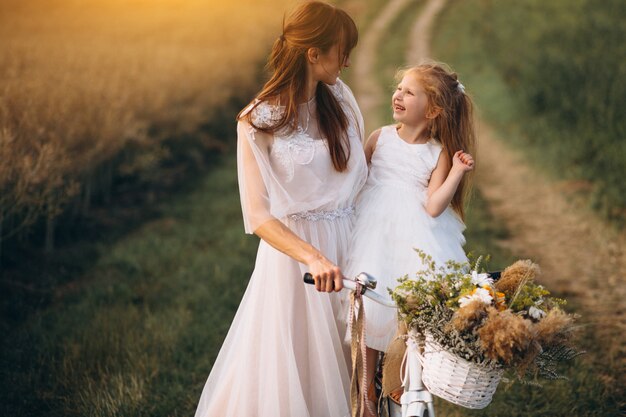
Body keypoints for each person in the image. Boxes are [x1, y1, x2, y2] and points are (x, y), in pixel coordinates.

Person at [193, 2, 367, 416]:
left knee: (356, 362)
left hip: (352, 242)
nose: (346, 61)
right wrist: (314, 257)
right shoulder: (256, 120)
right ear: (313, 53)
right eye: (341, 51)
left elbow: (361, 168)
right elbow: (258, 216)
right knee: (299, 369)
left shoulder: (339, 98)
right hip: (299, 264)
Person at [344, 62, 476, 416]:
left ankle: (400, 382)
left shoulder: (438, 153)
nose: (398, 95)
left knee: (406, 312)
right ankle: (366, 396)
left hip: (412, 237)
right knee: (370, 308)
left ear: (432, 110)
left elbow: (434, 206)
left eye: (409, 92)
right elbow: (357, 182)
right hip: (372, 231)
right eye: (398, 88)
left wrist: (458, 173)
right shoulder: (381, 137)